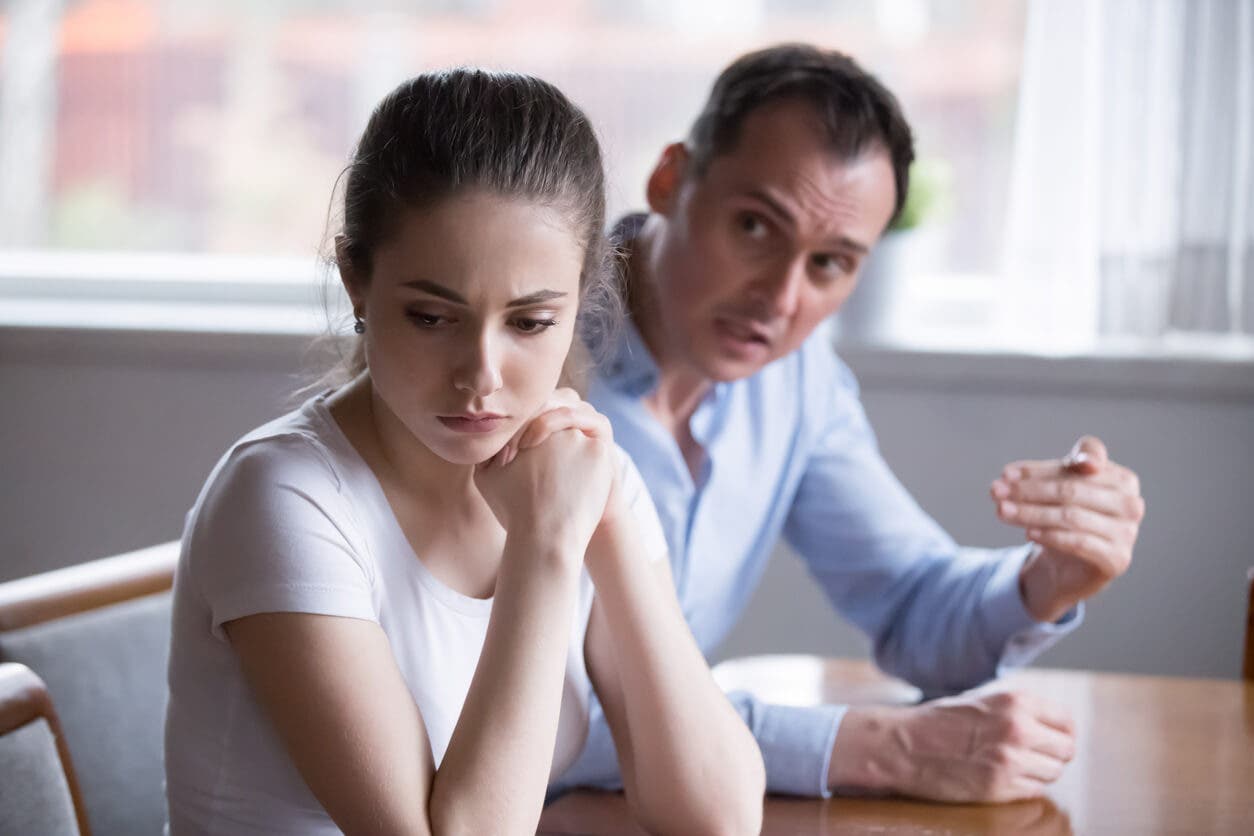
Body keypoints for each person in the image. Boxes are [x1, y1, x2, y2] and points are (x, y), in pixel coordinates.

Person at [163, 69, 765, 836]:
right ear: (356, 280)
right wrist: (545, 549)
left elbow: (718, 817)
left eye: (530, 322)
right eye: (430, 316)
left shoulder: (574, 469)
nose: (481, 376)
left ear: (582, 296)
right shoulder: (286, 498)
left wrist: (606, 522)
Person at [557, 44, 1146, 804]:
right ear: (671, 179)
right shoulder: (516, 350)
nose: (780, 298)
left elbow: (911, 601)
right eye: (755, 227)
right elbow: (490, 710)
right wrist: (867, 747)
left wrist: (1046, 579)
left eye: (830, 263)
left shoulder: (796, 381)